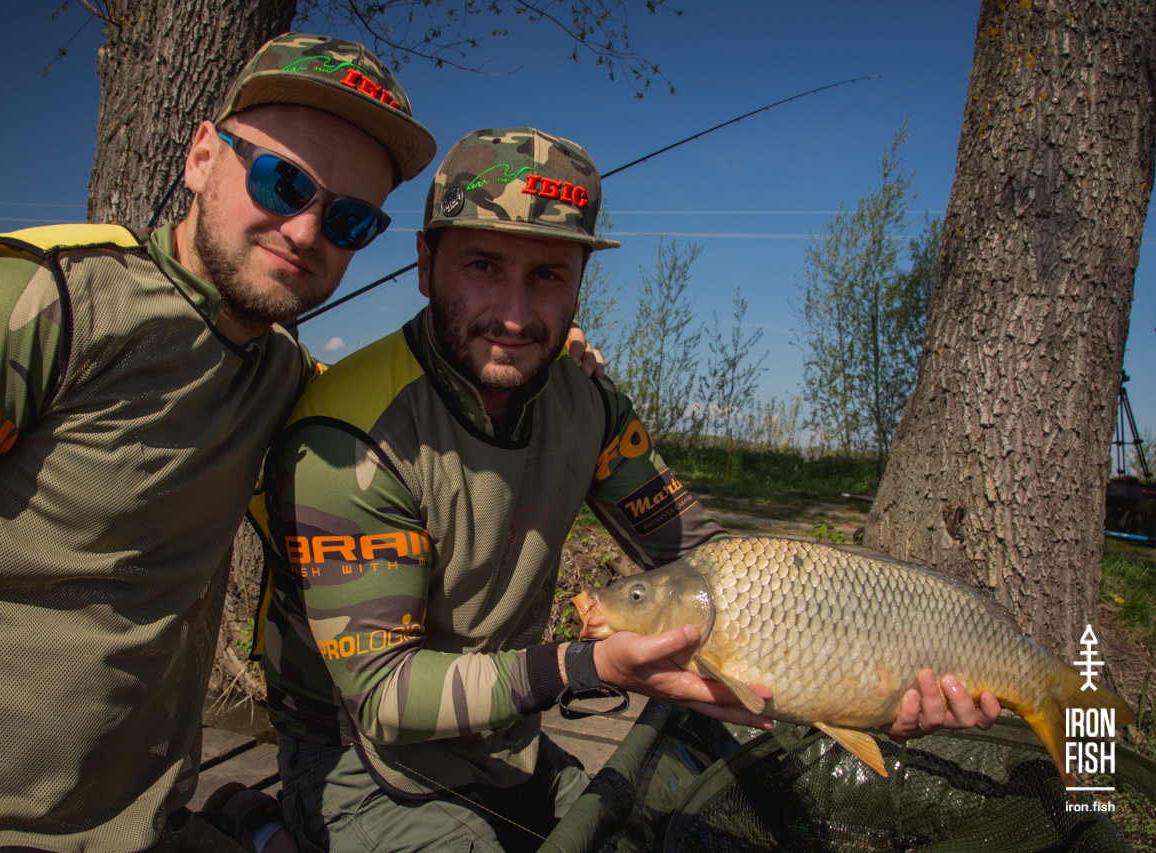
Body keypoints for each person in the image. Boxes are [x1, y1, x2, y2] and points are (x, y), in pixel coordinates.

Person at [257, 126, 1003, 853]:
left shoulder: (588, 405)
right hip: (359, 757)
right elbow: (384, 696)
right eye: (483, 265)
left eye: (548, 276)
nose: (514, 313)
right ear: (425, 264)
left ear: (581, 282)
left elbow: (708, 561)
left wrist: (865, 675)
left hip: (505, 737)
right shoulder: (347, 437)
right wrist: (587, 666)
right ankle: (265, 828)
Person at [0, 32, 442, 853]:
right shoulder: (34, 299)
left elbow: (390, 413)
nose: (305, 231)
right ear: (202, 157)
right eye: (283, 182)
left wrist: (543, 365)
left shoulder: (283, 374)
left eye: (350, 219)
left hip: (149, 817)